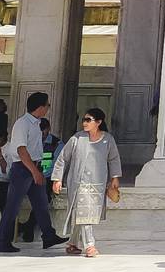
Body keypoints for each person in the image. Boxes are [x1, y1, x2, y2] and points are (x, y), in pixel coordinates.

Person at [0, 91, 67, 253]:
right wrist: (34, 171)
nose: (48, 108)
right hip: (24, 168)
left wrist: (36, 170)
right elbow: (21, 150)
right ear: (40, 107)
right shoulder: (22, 123)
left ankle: (48, 236)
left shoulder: (35, 124)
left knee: (41, 204)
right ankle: (2, 241)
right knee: (12, 206)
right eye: (47, 105)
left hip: (33, 167)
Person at [49, 107, 122, 257]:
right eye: (84, 120)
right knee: (85, 213)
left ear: (99, 122)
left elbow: (113, 159)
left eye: (88, 120)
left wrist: (115, 178)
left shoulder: (108, 139)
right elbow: (63, 158)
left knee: (83, 214)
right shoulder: (77, 138)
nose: (84, 123)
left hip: (97, 183)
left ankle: (72, 243)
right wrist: (57, 178)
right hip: (78, 183)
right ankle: (90, 245)